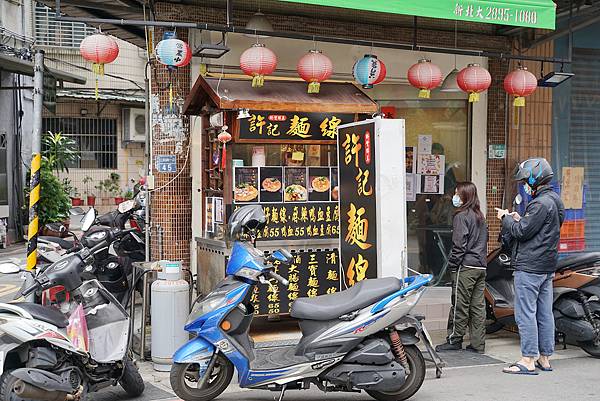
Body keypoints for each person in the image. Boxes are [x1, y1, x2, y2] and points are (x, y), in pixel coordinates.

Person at [497, 158, 564, 375]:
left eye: (526, 179)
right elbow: (540, 228)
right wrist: (520, 218)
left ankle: (527, 359)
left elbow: (521, 232)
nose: (525, 183)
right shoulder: (555, 200)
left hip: (530, 267)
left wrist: (507, 219)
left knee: (525, 314)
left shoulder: (539, 203)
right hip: (546, 266)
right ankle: (544, 358)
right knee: (545, 313)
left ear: (535, 179)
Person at [435, 182, 488, 353]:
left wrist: (453, 265)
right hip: (480, 266)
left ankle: (454, 339)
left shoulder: (461, 216)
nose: (454, 197)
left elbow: (459, 245)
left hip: (465, 267)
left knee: (459, 304)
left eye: (457, 193)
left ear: (465, 196)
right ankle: (478, 344)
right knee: (478, 307)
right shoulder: (480, 216)